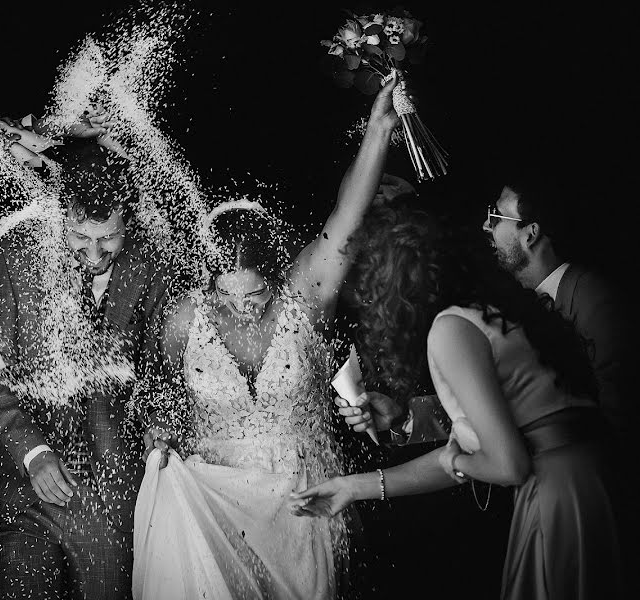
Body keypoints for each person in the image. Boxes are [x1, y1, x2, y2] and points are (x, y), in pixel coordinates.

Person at [132, 73, 402, 600]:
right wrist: (158, 431)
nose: (244, 309)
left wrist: (378, 129)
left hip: (305, 501)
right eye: (228, 298)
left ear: (277, 276)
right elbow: (159, 401)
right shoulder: (184, 318)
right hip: (219, 510)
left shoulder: (305, 297)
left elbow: (347, 217)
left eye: (255, 297)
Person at [290, 199, 626, 598]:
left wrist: (453, 459)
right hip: (594, 484)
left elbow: (508, 464)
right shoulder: (498, 311)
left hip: (559, 497)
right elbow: (491, 443)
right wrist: (352, 486)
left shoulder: (451, 329)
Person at [0, 137, 170, 599]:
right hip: (24, 487)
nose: (96, 254)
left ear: (130, 219)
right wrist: (33, 452)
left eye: (109, 237)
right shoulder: (14, 258)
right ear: (61, 213)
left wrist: (159, 417)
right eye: (81, 236)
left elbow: (160, 369)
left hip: (112, 492)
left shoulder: (152, 267)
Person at [483, 175, 632, 450]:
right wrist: (407, 418)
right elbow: (494, 395)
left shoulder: (595, 301)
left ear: (531, 233)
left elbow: (619, 417)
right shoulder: (519, 304)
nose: (485, 225)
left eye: (495, 217)